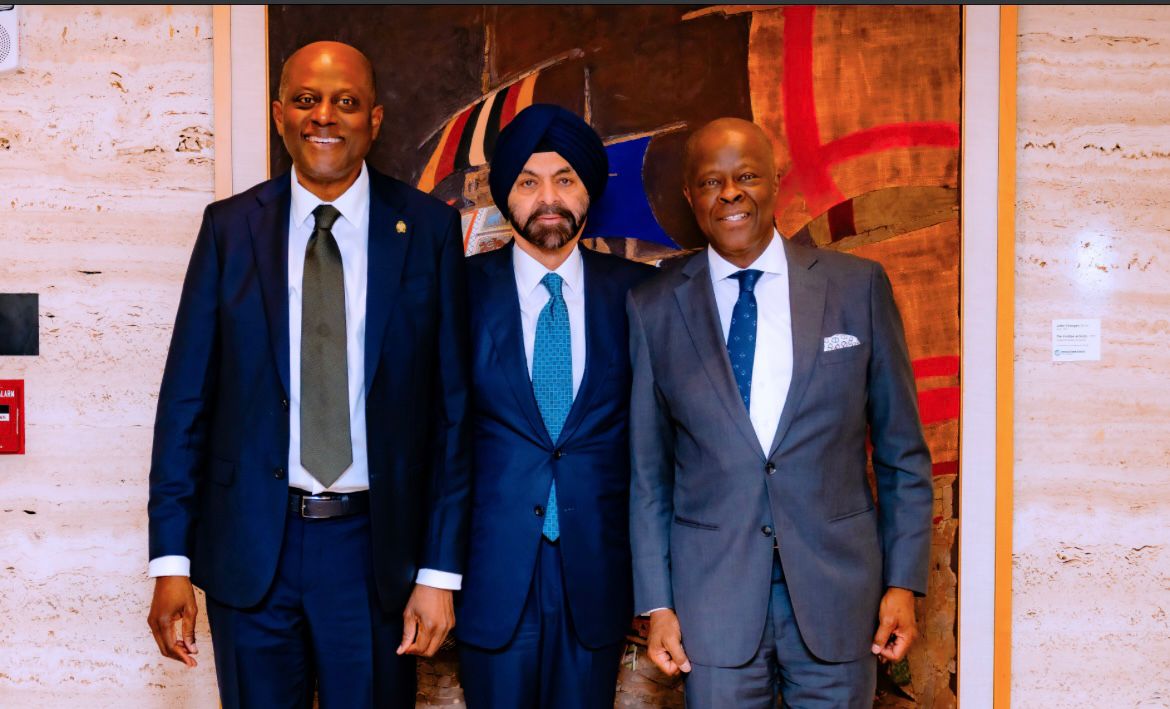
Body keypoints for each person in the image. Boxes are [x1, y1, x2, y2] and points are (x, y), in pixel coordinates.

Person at [145, 41, 470, 708]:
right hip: (250, 552)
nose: (324, 115)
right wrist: (170, 561)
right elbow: (185, 403)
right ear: (279, 115)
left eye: (345, 102)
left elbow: (453, 414)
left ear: (373, 120)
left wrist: (439, 571)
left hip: (374, 553)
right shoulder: (230, 229)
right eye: (306, 100)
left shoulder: (428, 231)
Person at [626, 117, 933, 707]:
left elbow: (902, 455)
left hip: (842, 599)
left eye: (746, 176)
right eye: (711, 182)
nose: (730, 194)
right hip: (710, 606)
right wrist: (657, 604)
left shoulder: (857, 288)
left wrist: (903, 583)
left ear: (774, 182)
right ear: (690, 196)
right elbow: (648, 476)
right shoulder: (653, 307)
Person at [454, 104, 654, 708]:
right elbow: (434, 439)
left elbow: (657, 447)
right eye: (528, 181)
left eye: (565, 179)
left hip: (596, 575)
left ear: (588, 189)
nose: (548, 198)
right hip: (490, 573)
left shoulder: (639, 295)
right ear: (505, 195)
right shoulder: (457, 291)